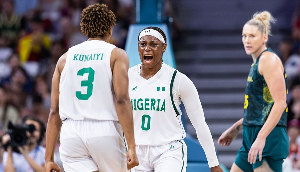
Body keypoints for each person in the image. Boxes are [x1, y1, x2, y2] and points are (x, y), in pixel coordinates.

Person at [44, 3, 138, 172]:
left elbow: (54, 111)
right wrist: (131, 145)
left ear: (84, 29)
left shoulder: (64, 59)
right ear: (110, 29)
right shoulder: (116, 54)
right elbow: (122, 100)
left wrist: (49, 158)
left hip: (71, 133)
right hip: (104, 129)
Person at [128, 26, 223, 172]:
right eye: (143, 44)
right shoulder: (127, 77)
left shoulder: (178, 80)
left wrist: (213, 163)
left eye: (153, 44)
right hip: (136, 149)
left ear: (164, 47)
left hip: (168, 150)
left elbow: (200, 124)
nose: (147, 48)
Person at [218, 11, 289, 172]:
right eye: (244, 36)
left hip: (268, 137)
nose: (247, 40)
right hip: (252, 136)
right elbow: (260, 110)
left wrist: (261, 137)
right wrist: (235, 128)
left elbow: (280, 103)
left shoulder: (268, 60)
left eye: (252, 36)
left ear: (264, 38)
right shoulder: (257, 63)